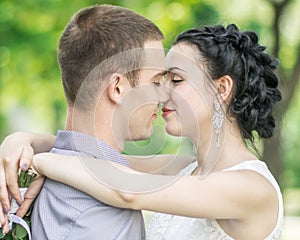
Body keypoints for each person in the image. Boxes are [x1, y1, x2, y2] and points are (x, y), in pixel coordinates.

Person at [0, 24, 283, 239]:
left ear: (221, 89)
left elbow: (126, 190)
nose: (161, 93)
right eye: (160, 80)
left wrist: (39, 162)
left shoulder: (253, 188)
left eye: (175, 79)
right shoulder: (185, 169)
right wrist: (21, 141)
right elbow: (93, 156)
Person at [0, 4, 173, 239]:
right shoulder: (99, 213)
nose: (164, 96)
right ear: (118, 88)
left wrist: (25, 139)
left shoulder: (52, 166)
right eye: (155, 82)